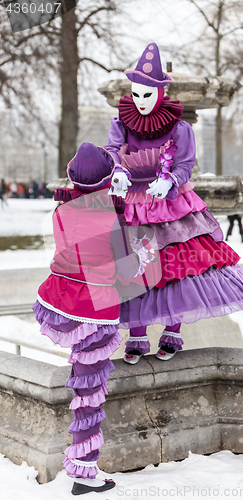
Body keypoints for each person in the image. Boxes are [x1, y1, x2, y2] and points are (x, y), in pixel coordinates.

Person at [103, 42, 243, 364]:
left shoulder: (180, 127)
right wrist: (117, 171)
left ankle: (172, 331)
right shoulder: (121, 123)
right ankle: (136, 335)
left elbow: (184, 163)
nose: (141, 102)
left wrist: (171, 180)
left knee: (176, 268)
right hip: (132, 205)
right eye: (136, 95)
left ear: (161, 92)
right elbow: (111, 149)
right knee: (132, 268)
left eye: (147, 95)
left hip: (170, 206)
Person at [33, 144, 157, 495]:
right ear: (107, 180)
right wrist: (144, 254)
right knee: (89, 391)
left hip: (63, 302)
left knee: (83, 379)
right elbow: (126, 270)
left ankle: (82, 463)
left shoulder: (61, 211)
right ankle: (84, 470)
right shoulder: (110, 217)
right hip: (95, 309)